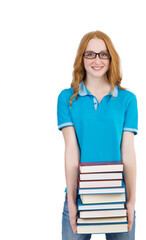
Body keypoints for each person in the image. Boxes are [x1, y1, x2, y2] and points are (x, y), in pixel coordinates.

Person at [58, 31, 137, 239]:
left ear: (111, 59)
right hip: (80, 195)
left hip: (118, 195)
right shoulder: (67, 98)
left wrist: (131, 201)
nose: (97, 60)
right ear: (81, 59)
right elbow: (71, 152)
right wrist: (73, 201)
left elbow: (127, 152)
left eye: (103, 54)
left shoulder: (127, 100)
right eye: (90, 54)